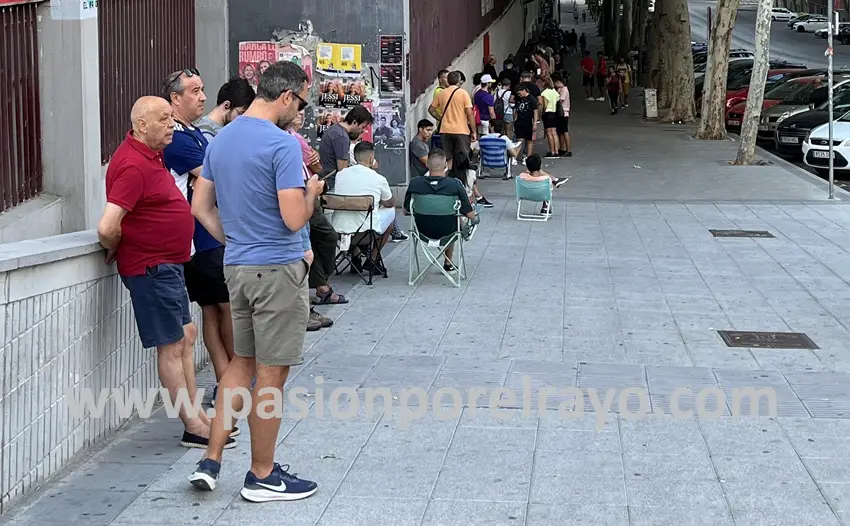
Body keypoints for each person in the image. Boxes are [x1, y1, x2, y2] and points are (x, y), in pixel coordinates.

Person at [188, 61, 320, 502]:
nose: (300, 110)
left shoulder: (221, 139)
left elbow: (200, 207)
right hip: (276, 269)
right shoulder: (282, 145)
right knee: (270, 376)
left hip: (237, 266)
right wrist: (313, 194)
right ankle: (263, 475)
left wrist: (235, 239)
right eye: (301, 102)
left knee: (241, 363)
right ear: (286, 96)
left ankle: (211, 458)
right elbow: (292, 216)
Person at [97, 96, 233, 450]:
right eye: (164, 120)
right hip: (151, 266)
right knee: (172, 346)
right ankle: (192, 425)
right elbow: (108, 225)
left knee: (186, 336)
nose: (172, 125)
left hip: (167, 265)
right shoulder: (131, 165)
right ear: (142, 125)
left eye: (172, 119)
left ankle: (198, 417)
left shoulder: (150, 157)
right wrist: (116, 243)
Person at [162, 69, 238, 410]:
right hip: (203, 239)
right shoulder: (176, 138)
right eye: (195, 91)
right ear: (175, 98)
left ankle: (228, 380)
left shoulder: (193, 132)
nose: (203, 97)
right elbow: (217, 177)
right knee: (226, 309)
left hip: (207, 236)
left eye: (203, 90)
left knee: (214, 311)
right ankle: (235, 378)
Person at [314, 105, 374, 305]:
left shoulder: (333, 131)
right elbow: (343, 170)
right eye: (363, 127)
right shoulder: (341, 137)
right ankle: (325, 283)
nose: (363, 131)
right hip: (333, 189)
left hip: (329, 186)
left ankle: (355, 254)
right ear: (354, 122)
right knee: (329, 236)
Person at [287, 110, 333, 331]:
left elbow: (318, 169)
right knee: (305, 252)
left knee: (309, 250)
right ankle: (306, 305)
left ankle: (309, 302)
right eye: (297, 110)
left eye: (304, 112)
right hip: (299, 198)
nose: (301, 115)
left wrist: (314, 162)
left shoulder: (298, 138)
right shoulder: (285, 139)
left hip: (307, 194)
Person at [404, 149, 477, 272]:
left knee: (449, 219)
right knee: (453, 221)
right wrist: (475, 215)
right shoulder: (455, 184)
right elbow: (469, 214)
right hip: (449, 231)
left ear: (427, 164)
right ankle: (448, 263)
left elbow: (406, 211)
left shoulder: (415, 183)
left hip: (421, 231)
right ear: (445, 166)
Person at [331, 141, 396, 268]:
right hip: (367, 232)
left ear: (354, 158)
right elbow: (390, 203)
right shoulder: (378, 179)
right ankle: (372, 258)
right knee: (391, 215)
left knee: (351, 213)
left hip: (339, 230)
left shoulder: (340, 175)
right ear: (371, 158)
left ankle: (356, 256)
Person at [429, 70, 477, 168]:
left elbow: (431, 109)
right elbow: (470, 114)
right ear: (459, 81)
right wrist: (474, 131)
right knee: (462, 158)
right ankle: (461, 180)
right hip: (461, 130)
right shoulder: (463, 93)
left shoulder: (441, 93)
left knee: (449, 158)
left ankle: (449, 178)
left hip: (445, 130)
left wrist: (441, 117)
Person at [196, 77, 256, 141]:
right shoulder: (206, 135)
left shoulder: (223, 130)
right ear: (226, 105)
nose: (242, 119)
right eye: (240, 113)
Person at [513, 83, 539, 164]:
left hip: (528, 121)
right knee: (519, 140)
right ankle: (515, 156)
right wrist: (515, 119)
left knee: (529, 140)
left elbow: (535, 111)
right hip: (519, 121)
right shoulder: (519, 99)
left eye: (520, 93)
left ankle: (528, 156)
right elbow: (516, 110)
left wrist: (535, 122)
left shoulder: (532, 99)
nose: (519, 95)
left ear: (524, 90)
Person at [552, 72, 572, 157]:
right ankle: (562, 148)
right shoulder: (560, 89)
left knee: (564, 131)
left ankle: (568, 149)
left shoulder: (564, 90)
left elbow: (560, 100)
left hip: (564, 113)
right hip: (560, 113)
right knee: (560, 132)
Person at [540, 80, 561, 158]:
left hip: (547, 113)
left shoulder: (544, 93)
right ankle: (556, 151)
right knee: (554, 133)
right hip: (554, 113)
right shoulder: (555, 92)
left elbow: (544, 105)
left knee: (549, 133)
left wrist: (541, 113)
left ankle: (552, 152)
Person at [495, 77, 514, 143]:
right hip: (508, 113)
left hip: (499, 114)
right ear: (508, 85)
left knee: (501, 131)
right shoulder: (509, 93)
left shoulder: (497, 93)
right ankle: (509, 145)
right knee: (509, 131)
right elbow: (512, 104)